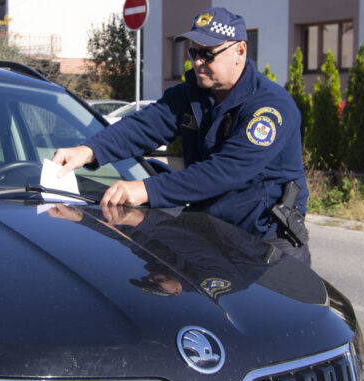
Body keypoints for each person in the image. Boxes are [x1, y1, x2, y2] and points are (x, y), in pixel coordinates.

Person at [52, 7, 310, 264]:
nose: (197, 62)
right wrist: (88, 151)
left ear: (239, 51)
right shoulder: (191, 94)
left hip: (266, 243)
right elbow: (142, 127)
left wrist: (147, 189)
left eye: (208, 54)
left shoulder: (270, 108)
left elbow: (224, 172)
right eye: (193, 52)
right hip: (211, 234)